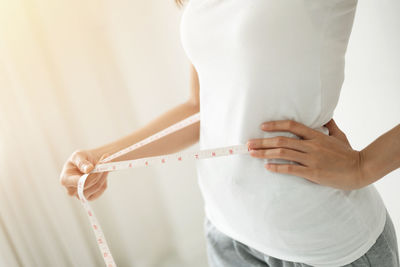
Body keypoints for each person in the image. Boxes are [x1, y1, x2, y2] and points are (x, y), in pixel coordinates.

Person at [60, 0, 400, 266]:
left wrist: (363, 166)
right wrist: (103, 158)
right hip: (226, 234)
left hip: (323, 247)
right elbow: (199, 107)